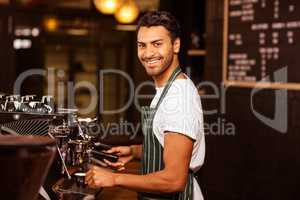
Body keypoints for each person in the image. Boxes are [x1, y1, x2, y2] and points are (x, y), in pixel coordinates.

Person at [85, 11, 205, 200]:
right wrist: (134, 151)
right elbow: (169, 147)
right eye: (142, 45)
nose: (148, 53)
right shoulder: (168, 90)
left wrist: (115, 179)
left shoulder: (178, 99)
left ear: (176, 45)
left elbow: (174, 180)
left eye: (157, 44)